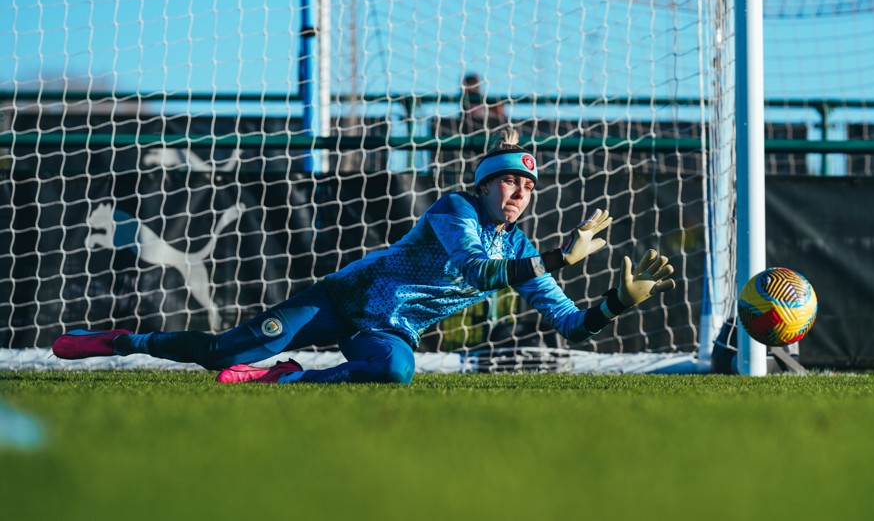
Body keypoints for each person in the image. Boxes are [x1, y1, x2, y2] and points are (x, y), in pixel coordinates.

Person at [53, 129, 676, 384]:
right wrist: (564, 259)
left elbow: (571, 325)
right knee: (222, 352)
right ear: (484, 183)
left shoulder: (522, 247)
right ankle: (122, 341)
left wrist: (619, 301)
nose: (518, 193)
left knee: (399, 374)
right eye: (509, 181)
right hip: (340, 300)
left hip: (388, 328)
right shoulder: (453, 212)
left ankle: (292, 379)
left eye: (527, 187)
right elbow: (478, 273)